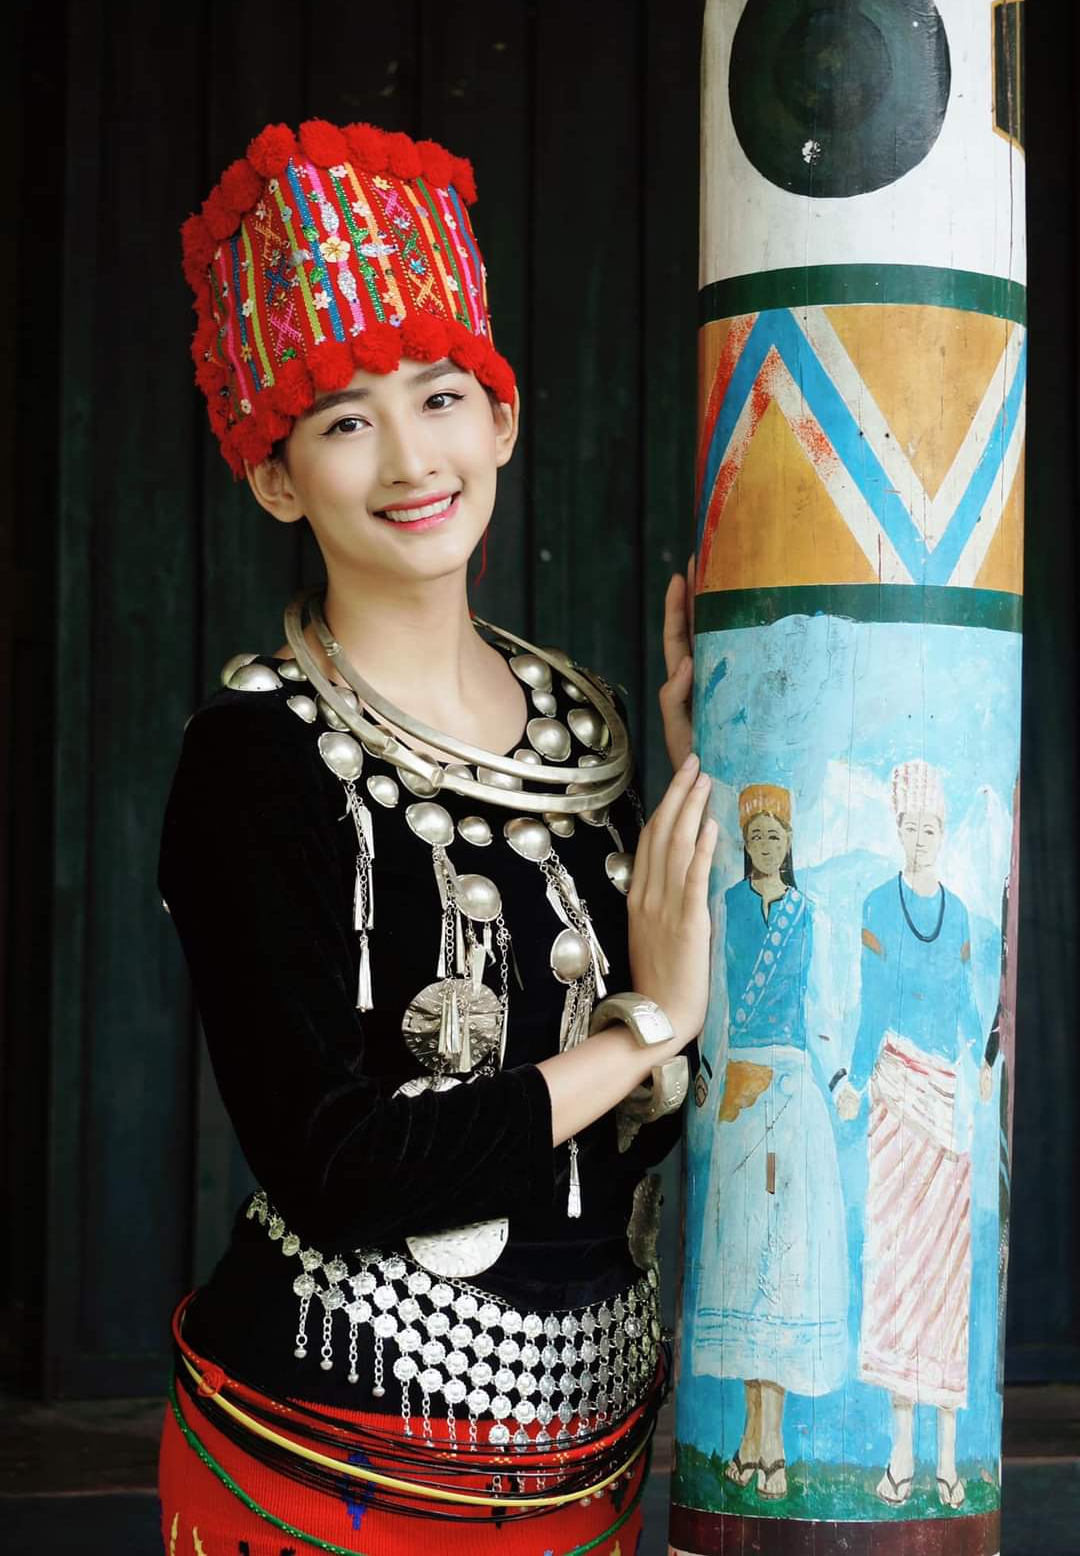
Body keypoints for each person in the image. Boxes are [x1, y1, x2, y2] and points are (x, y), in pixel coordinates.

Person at [157, 116, 716, 1555]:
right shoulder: (252, 761)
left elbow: (648, 1130)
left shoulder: (586, 734)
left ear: (502, 420)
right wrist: (642, 1029)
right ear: (277, 475)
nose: (412, 457)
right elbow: (341, 1167)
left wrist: (715, 765)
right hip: (324, 1468)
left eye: (441, 396)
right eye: (346, 420)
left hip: (591, 1462)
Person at [689, 786, 848, 1502]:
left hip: (792, 1092)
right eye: (754, 836)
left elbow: (821, 1008)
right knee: (743, 1258)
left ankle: (773, 1444)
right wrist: (706, 1069)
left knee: (783, 1264)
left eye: (774, 836)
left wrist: (838, 1078)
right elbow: (717, 1001)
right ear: (745, 843)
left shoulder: (810, 917)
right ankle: (751, 1438)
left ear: (789, 843)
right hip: (738, 1093)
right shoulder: (726, 907)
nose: (764, 846)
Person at [836, 759, 985, 1511]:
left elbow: (966, 1005)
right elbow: (873, 1002)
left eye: (932, 828)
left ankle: (949, 1461)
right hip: (895, 1094)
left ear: (943, 832)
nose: (922, 838)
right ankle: (900, 1457)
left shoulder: (960, 915)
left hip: (948, 1098)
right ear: (897, 829)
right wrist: (856, 1079)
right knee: (897, 1272)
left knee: (946, 1278)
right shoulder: (875, 903)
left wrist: (982, 1056)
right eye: (911, 826)